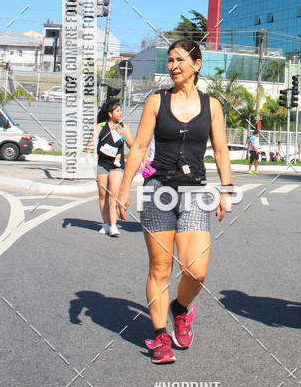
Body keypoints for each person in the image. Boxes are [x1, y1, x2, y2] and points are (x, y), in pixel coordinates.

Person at [116, 39, 232, 364]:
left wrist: (227, 188)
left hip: (194, 190)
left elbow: (221, 150)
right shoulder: (156, 102)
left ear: (197, 63)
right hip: (157, 189)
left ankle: (180, 308)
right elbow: (139, 147)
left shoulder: (212, 106)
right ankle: (160, 336)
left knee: (196, 271)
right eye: (170, 60)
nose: (174, 66)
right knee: (160, 267)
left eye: (180, 59)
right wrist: (125, 187)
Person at [86, 99, 134, 237]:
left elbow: (132, 145)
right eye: (117, 111)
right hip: (103, 163)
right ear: (110, 113)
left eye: (120, 110)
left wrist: (125, 135)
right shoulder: (100, 126)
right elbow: (93, 140)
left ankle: (113, 225)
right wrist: (88, 153)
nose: (120, 113)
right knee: (102, 195)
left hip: (117, 165)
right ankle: (106, 223)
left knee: (113, 194)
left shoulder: (123, 127)